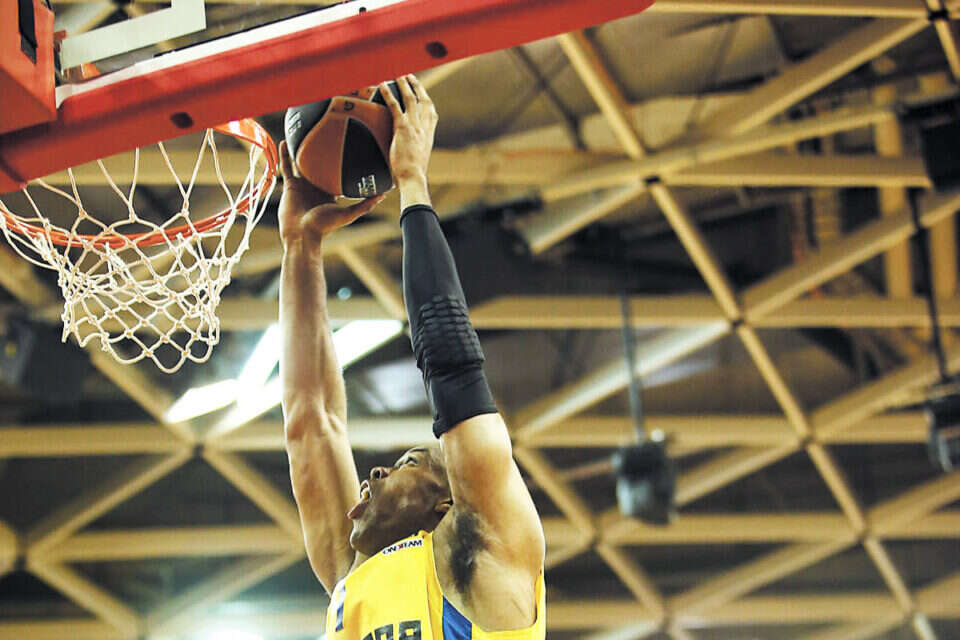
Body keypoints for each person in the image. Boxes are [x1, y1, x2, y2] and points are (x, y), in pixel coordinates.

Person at [278, 74, 546, 640]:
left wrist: (412, 181)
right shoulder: (359, 576)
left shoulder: (484, 555)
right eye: (407, 461)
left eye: (404, 464)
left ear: (449, 504)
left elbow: (448, 372)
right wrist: (301, 247)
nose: (375, 473)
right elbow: (312, 416)